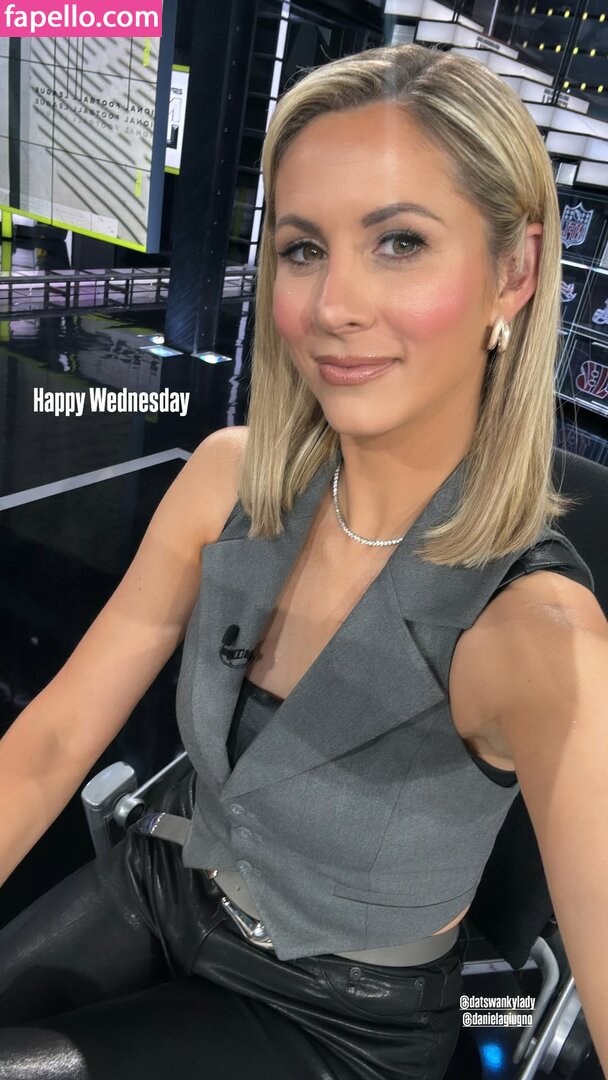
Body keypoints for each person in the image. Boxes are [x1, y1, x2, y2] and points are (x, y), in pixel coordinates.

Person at [0, 42, 607, 1080]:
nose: (332, 307)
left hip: (337, 1018)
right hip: (166, 879)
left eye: (400, 243)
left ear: (511, 274)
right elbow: (51, 741)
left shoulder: (540, 635)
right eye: (302, 248)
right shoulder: (227, 479)